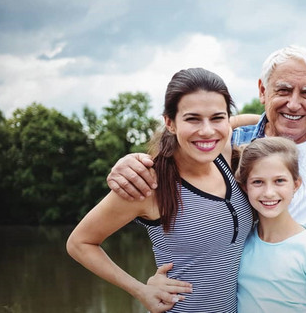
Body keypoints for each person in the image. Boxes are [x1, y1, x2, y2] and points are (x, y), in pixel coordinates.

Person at [106, 45, 306, 305]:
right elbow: (193, 140)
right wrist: (133, 163)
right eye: (283, 91)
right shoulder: (227, 151)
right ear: (263, 91)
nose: (294, 103)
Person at [67, 68, 252, 312]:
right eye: (192, 119)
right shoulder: (149, 183)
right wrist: (140, 290)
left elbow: (247, 120)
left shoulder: (223, 156)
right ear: (170, 123)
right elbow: (80, 243)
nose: (207, 130)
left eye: (217, 118)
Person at [234, 137, 306, 312]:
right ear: (245, 187)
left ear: (296, 184)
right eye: (258, 182)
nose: (269, 193)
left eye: (279, 181)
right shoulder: (240, 244)